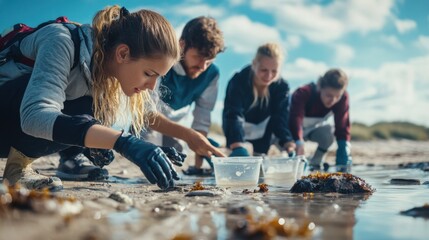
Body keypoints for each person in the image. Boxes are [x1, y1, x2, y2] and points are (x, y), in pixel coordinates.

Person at [0, 5, 185, 191]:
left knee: (99, 109)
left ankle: (19, 167)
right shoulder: (62, 41)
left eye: (157, 77)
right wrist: (123, 143)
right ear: (123, 53)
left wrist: (100, 145)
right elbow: (34, 116)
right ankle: (19, 169)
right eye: (148, 73)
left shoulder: (104, 73)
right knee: (89, 109)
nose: (152, 86)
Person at [144, 16, 226, 176]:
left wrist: (198, 166)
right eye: (198, 57)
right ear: (182, 45)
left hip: (177, 124)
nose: (203, 66)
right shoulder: (162, 61)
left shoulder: (212, 74)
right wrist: (189, 135)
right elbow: (147, 115)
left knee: (176, 157)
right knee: (151, 161)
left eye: (209, 61)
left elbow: (202, 116)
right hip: (146, 124)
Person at [222, 43, 295, 157]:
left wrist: (288, 143)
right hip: (237, 126)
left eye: (274, 71)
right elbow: (233, 113)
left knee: (259, 162)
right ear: (254, 64)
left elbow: (280, 118)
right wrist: (237, 145)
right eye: (264, 70)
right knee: (238, 159)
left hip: (264, 130)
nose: (269, 76)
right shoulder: (238, 80)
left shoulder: (282, 87)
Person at [289, 68, 352, 172]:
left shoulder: (343, 98)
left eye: (337, 96)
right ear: (320, 87)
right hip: (291, 130)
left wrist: (344, 146)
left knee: (329, 134)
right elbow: (296, 118)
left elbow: (342, 125)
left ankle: (316, 162)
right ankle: (290, 159)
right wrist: (299, 142)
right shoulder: (303, 92)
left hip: (313, 129)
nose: (333, 100)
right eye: (329, 95)